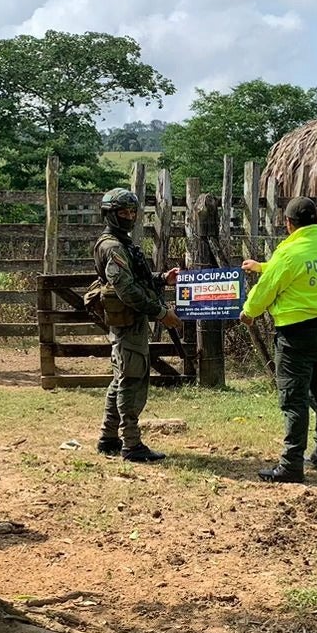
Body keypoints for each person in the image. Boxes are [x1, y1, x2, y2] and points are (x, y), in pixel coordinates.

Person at [239, 197, 317, 483]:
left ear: (288, 223)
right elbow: (298, 269)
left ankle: (291, 465)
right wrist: (263, 266)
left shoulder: (289, 252)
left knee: (294, 401)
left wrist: (249, 312)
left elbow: (268, 289)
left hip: (295, 337)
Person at [93, 188, 184, 462]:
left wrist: (161, 279)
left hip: (131, 320)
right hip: (128, 321)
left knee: (121, 379)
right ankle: (131, 445)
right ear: (110, 214)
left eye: (133, 212)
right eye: (123, 212)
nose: (129, 217)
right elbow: (127, 290)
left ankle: (108, 438)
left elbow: (136, 279)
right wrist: (160, 312)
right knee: (131, 381)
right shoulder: (113, 246)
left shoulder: (123, 243)